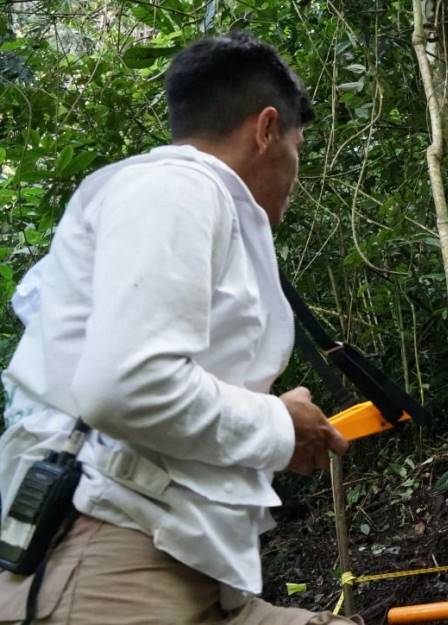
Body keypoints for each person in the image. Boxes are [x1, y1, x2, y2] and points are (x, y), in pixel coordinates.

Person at [0, 33, 354, 625]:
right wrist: (279, 422)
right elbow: (127, 386)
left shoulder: (187, 201)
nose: (297, 173)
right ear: (267, 129)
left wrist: (276, 436)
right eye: (299, 147)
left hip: (187, 564)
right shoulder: (177, 187)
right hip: (110, 560)